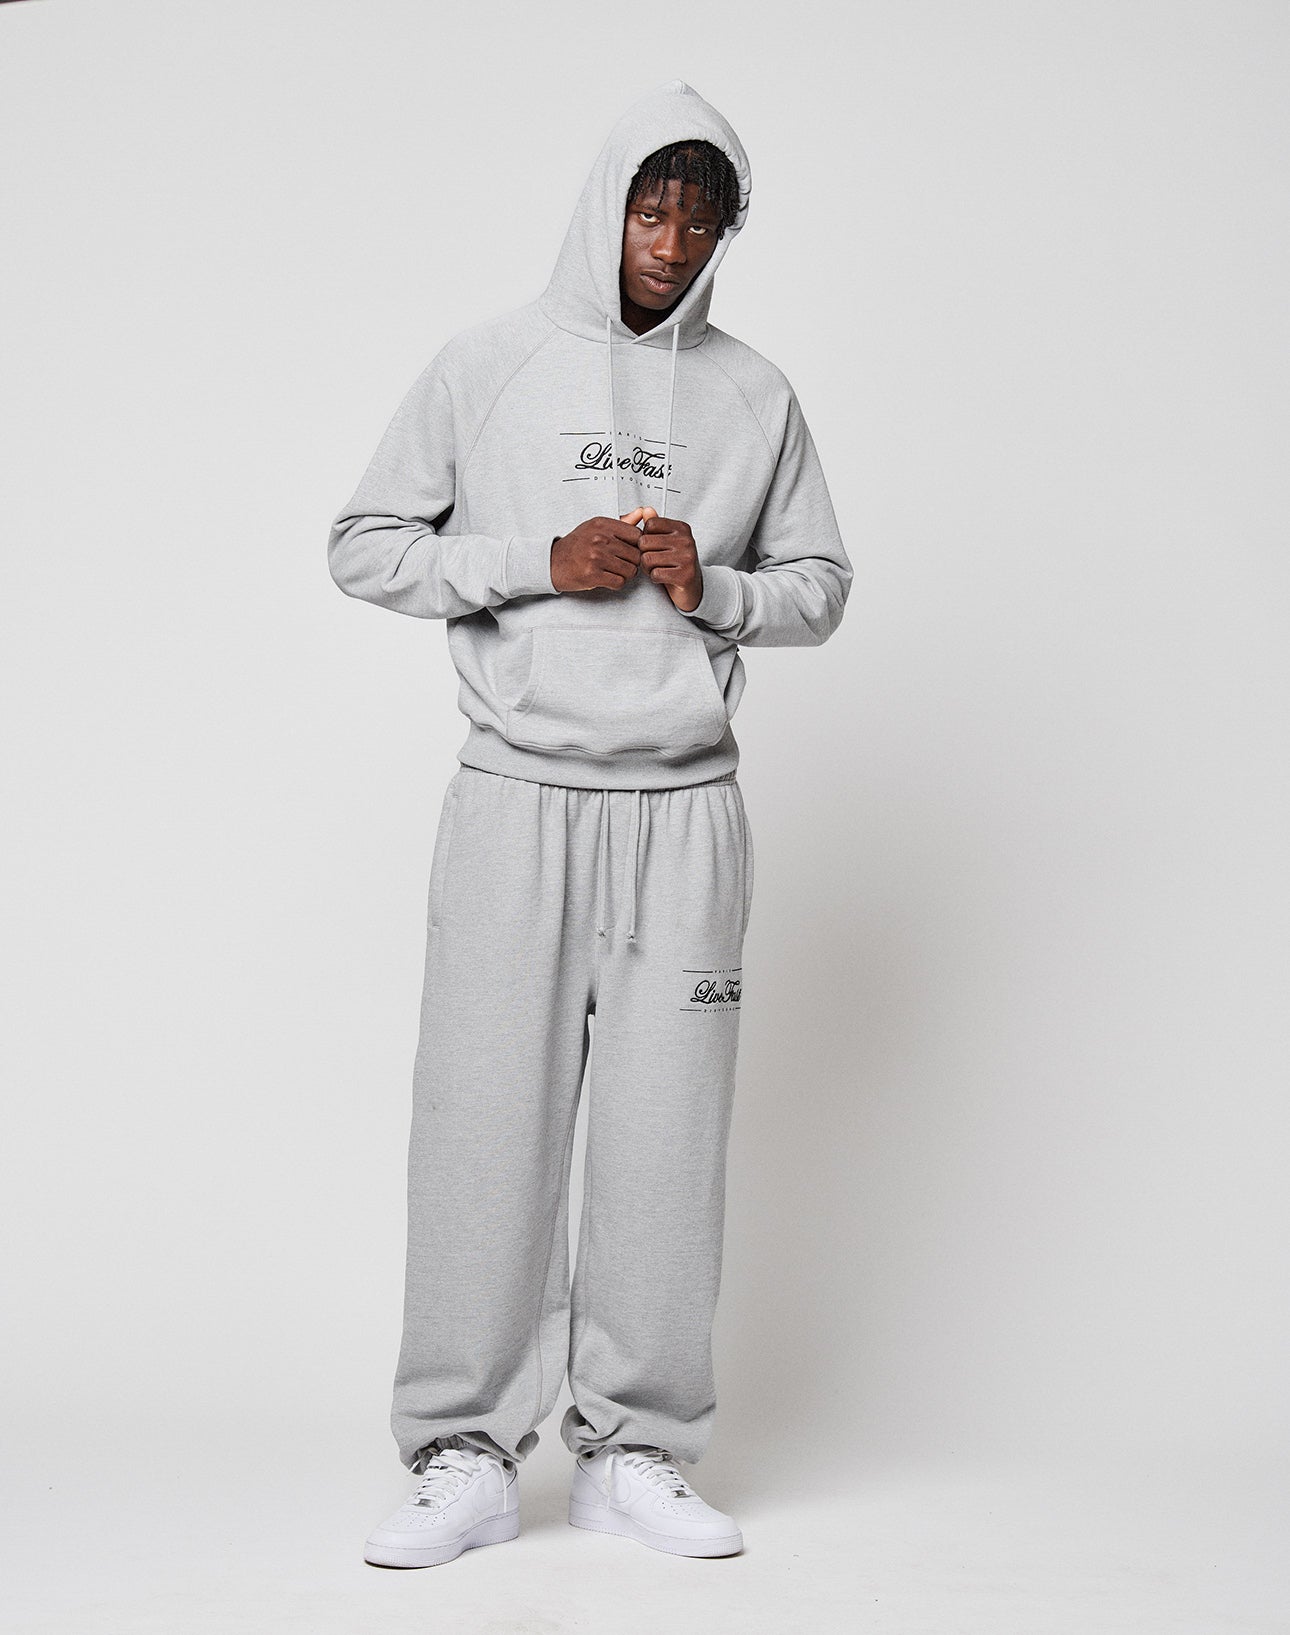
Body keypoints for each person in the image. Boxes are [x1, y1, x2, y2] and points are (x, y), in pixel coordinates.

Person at [327, 78, 852, 1568]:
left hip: (684, 814)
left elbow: (820, 587)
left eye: (700, 220)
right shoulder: (487, 366)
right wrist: (533, 562)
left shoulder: (756, 397)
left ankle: (638, 1449)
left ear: (725, 234)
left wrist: (714, 588)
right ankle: (463, 1450)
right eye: (649, 209)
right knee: (481, 1123)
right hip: (517, 797)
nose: (670, 243)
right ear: (606, 206)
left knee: (666, 1139)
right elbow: (363, 545)